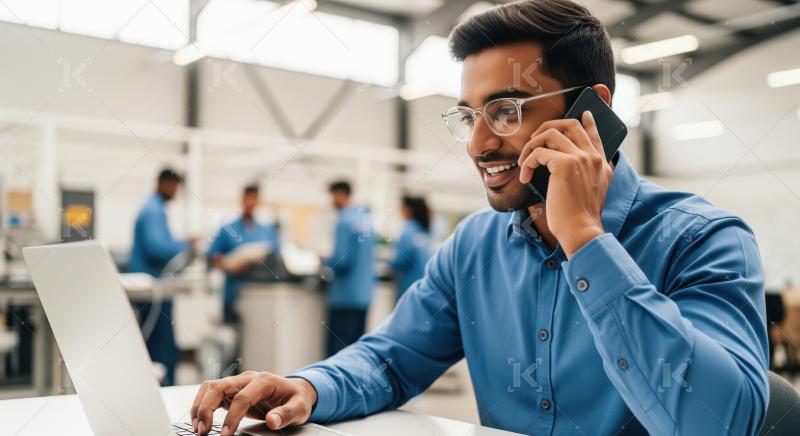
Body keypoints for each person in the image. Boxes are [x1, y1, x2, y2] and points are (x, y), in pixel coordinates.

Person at [190, 2, 769, 435]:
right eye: (470, 116)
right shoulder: (474, 246)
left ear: (593, 110)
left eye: (506, 111)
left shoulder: (704, 240)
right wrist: (306, 387)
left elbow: (722, 421)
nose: (478, 144)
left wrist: (586, 240)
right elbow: (392, 361)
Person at [129, 168, 193, 386]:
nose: (176, 192)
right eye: (175, 187)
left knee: (156, 346)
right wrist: (186, 244)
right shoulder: (154, 211)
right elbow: (157, 248)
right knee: (163, 349)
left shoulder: (153, 209)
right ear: (166, 184)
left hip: (155, 289)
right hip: (153, 292)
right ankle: (166, 394)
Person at [208, 185, 281, 325]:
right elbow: (213, 257)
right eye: (248, 199)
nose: (250, 203)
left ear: (258, 201)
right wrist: (230, 267)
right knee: (233, 338)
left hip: (261, 296)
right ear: (242, 200)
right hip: (233, 294)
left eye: (254, 199)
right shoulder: (227, 229)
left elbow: (276, 258)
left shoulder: (267, 231)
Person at [320, 181, 376, 357]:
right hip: (363, 296)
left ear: (340, 195)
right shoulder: (366, 220)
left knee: (338, 353)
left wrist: (326, 262)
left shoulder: (344, 221)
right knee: (355, 351)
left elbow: (342, 261)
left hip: (344, 297)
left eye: (332, 196)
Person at [388, 196, 432, 300]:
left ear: (408, 209)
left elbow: (399, 260)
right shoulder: (424, 231)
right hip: (423, 285)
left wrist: (389, 265)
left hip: (407, 285)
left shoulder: (408, 230)